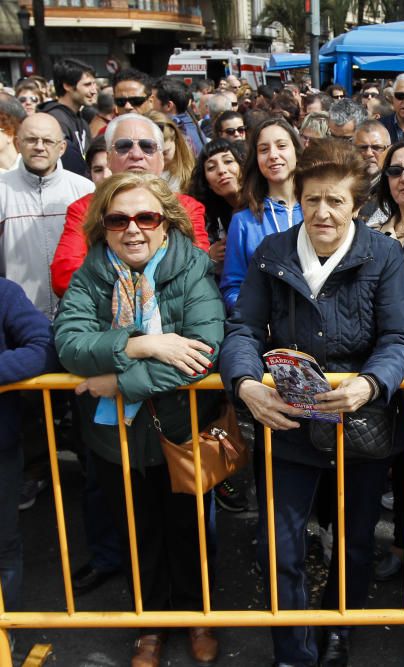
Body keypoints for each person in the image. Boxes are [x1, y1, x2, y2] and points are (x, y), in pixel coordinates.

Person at [221, 138, 404, 667]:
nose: (323, 213)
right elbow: (241, 330)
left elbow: (401, 338)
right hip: (285, 423)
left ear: (357, 205)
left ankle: (339, 632)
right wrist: (245, 384)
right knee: (279, 546)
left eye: (335, 201)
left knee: (353, 542)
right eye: (312, 201)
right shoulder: (272, 252)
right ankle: (292, 647)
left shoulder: (385, 254)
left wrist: (371, 384)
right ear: (298, 199)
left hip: (360, 423)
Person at [53, 172, 225, 667]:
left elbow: (202, 352)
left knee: (189, 533)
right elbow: (70, 346)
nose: (133, 229)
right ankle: (150, 624)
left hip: (180, 430)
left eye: (146, 217)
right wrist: (143, 343)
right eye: (118, 219)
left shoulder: (191, 267)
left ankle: (197, 616)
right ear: (102, 227)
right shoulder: (90, 274)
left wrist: (120, 381)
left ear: (166, 224)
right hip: (115, 438)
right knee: (138, 532)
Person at [50, 113, 211, 298]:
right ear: (109, 158)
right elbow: (64, 277)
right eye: (124, 146)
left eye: (147, 147)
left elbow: (198, 269)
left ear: (161, 158)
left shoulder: (187, 208)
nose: (136, 154)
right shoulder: (84, 209)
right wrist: (126, 291)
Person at [0, 278, 59, 616]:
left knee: (3, 547)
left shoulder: (4, 293)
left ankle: (3, 640)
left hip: (1, 452)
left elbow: (45, 348)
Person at [0, 113, 95, 320]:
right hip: (17, 315)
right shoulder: (1, 190)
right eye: (31, 140)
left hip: (76, 313)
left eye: (48, 141)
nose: (39, 147)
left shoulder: (84, 189)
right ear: (18, 143)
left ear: (61, 148)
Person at [220, 117, 303, 311]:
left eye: (281, 146)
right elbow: (233, 287)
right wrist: (258, 315)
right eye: (264, 149)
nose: (273, 155)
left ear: (296, 151)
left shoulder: (318, 210)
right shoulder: (243, 221)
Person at [188, 138, 247, 273]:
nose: (221, 170)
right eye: (211, 168)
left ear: (242, 167)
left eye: (228, 161)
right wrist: (210, 257)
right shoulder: (209, 219)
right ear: (207, 183)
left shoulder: (266, 205)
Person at [39, 58, 97, 177]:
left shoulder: (81, 120)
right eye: (87, 85)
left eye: (94, 84)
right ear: (67, 86)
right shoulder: (55, 120)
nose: (94, 91)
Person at [151, 77, 205, 154]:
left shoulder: (175, 133)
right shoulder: (192, 125)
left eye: (153, 100)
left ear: (168, 106)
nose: (150, 104)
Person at [352, 119, 392, 224]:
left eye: (377, 148)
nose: (369, 153)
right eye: (362, 148)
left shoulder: (394, 185)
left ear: (388, 150)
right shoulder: (343, 182)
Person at [147, 111, 195, 191]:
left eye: (165, 153)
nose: (160, 158)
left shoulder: (190, 171)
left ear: (175, 141)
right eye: (153, 154)